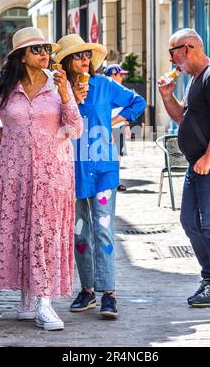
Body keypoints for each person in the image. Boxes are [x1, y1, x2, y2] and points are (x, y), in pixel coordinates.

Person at [0, 27, 83, 330]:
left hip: (52, 173)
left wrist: (67, 94)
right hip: (14, 173)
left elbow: (76, 128)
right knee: (22, 230)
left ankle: (45, 303)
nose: (45, 54)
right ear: (21, 57)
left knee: (44, 233)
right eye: (37, 50)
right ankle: (28, 300)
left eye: (46, 49)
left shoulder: (58, 87)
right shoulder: (3, 88)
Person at [54, 34, 146, 318]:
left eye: (87, 55)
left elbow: (138, 102)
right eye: (78, 55)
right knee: (80, 233)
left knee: (103, 230)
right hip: (72, 170)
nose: (84, 59)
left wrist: (114, 121)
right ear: (68, 61)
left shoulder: (104, 85)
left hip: (104, 169)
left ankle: (109, 293)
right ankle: (87, 290)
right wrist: (67, 100)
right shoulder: (58, 91)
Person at [158, 28, 210, 308]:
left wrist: (208, 158)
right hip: (199, 164)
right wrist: (167, 97)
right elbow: (184, 119)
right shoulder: (195, 79)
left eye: (173, 52)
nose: (171, 60)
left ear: (188, 47)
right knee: (190, 222)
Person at [104, 64, 131, 192]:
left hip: (119, 127)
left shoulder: (122, 90)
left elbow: (126, 109)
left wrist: (126, 125)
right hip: (107, 127)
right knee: (106, 155)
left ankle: (115, 181)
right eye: (120, 75)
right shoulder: (104, 90)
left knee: (118, 155)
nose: (122, 78)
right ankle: (107, 181)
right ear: (112, 76)